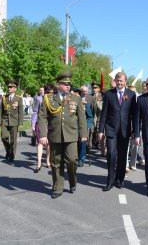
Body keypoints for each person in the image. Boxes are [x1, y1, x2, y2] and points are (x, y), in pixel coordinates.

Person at [38, 70, 87, 199]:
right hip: (55, 136)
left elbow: (82, 117)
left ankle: (72, 180)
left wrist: (83, 133)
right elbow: (42, 117)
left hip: (71, 135)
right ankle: (58, 187)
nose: (68, 86)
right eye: (65, 84)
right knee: (56, 163)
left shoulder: (75, 98)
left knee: (71, 160)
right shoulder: (48, 98)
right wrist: (42, 135)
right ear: (58, 84)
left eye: (69, 84)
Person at [98, 72, 137, 191]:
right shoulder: (109, 94)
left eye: (121, 81)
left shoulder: (131, 94)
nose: (119, 83)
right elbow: (103, 114)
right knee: (111, 154)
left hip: (125, 131)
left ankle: (120, 179)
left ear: (125, 82)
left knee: (122, 156)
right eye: (118, 81)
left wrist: (135, 131)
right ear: (115, 81)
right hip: (111, 129)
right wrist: (100, 130)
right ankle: (109, 181)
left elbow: (134, 115)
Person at [0, 79, 24, 165]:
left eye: (11, 87)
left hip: (14, 121)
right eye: (8, 87)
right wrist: (0, 121)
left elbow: (21, 111)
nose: (9, 88)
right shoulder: (4, 98)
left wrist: (20, 123)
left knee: (13, 140)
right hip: (5, 120)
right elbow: (1, 111)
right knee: (3, 137)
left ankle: (12, 156)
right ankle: (8, 151)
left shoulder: (19, 98)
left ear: (15, 89)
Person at [31, 86, 51, 173]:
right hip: (39, 122)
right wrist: (33, 123)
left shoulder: (51, 98)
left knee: (48, 143)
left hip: (49, 123)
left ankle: (47, 160)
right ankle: (38, 162)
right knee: (39, 142)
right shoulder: (38, 98)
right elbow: (35, 111)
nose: (43, 92)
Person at [77, 88, 93, 167]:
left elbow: (90, 117)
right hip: (72, 127)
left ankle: (81, 159)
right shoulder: (69, 103)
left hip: (82, 127)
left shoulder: (84, 104)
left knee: (82, 144)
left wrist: (88, 126)